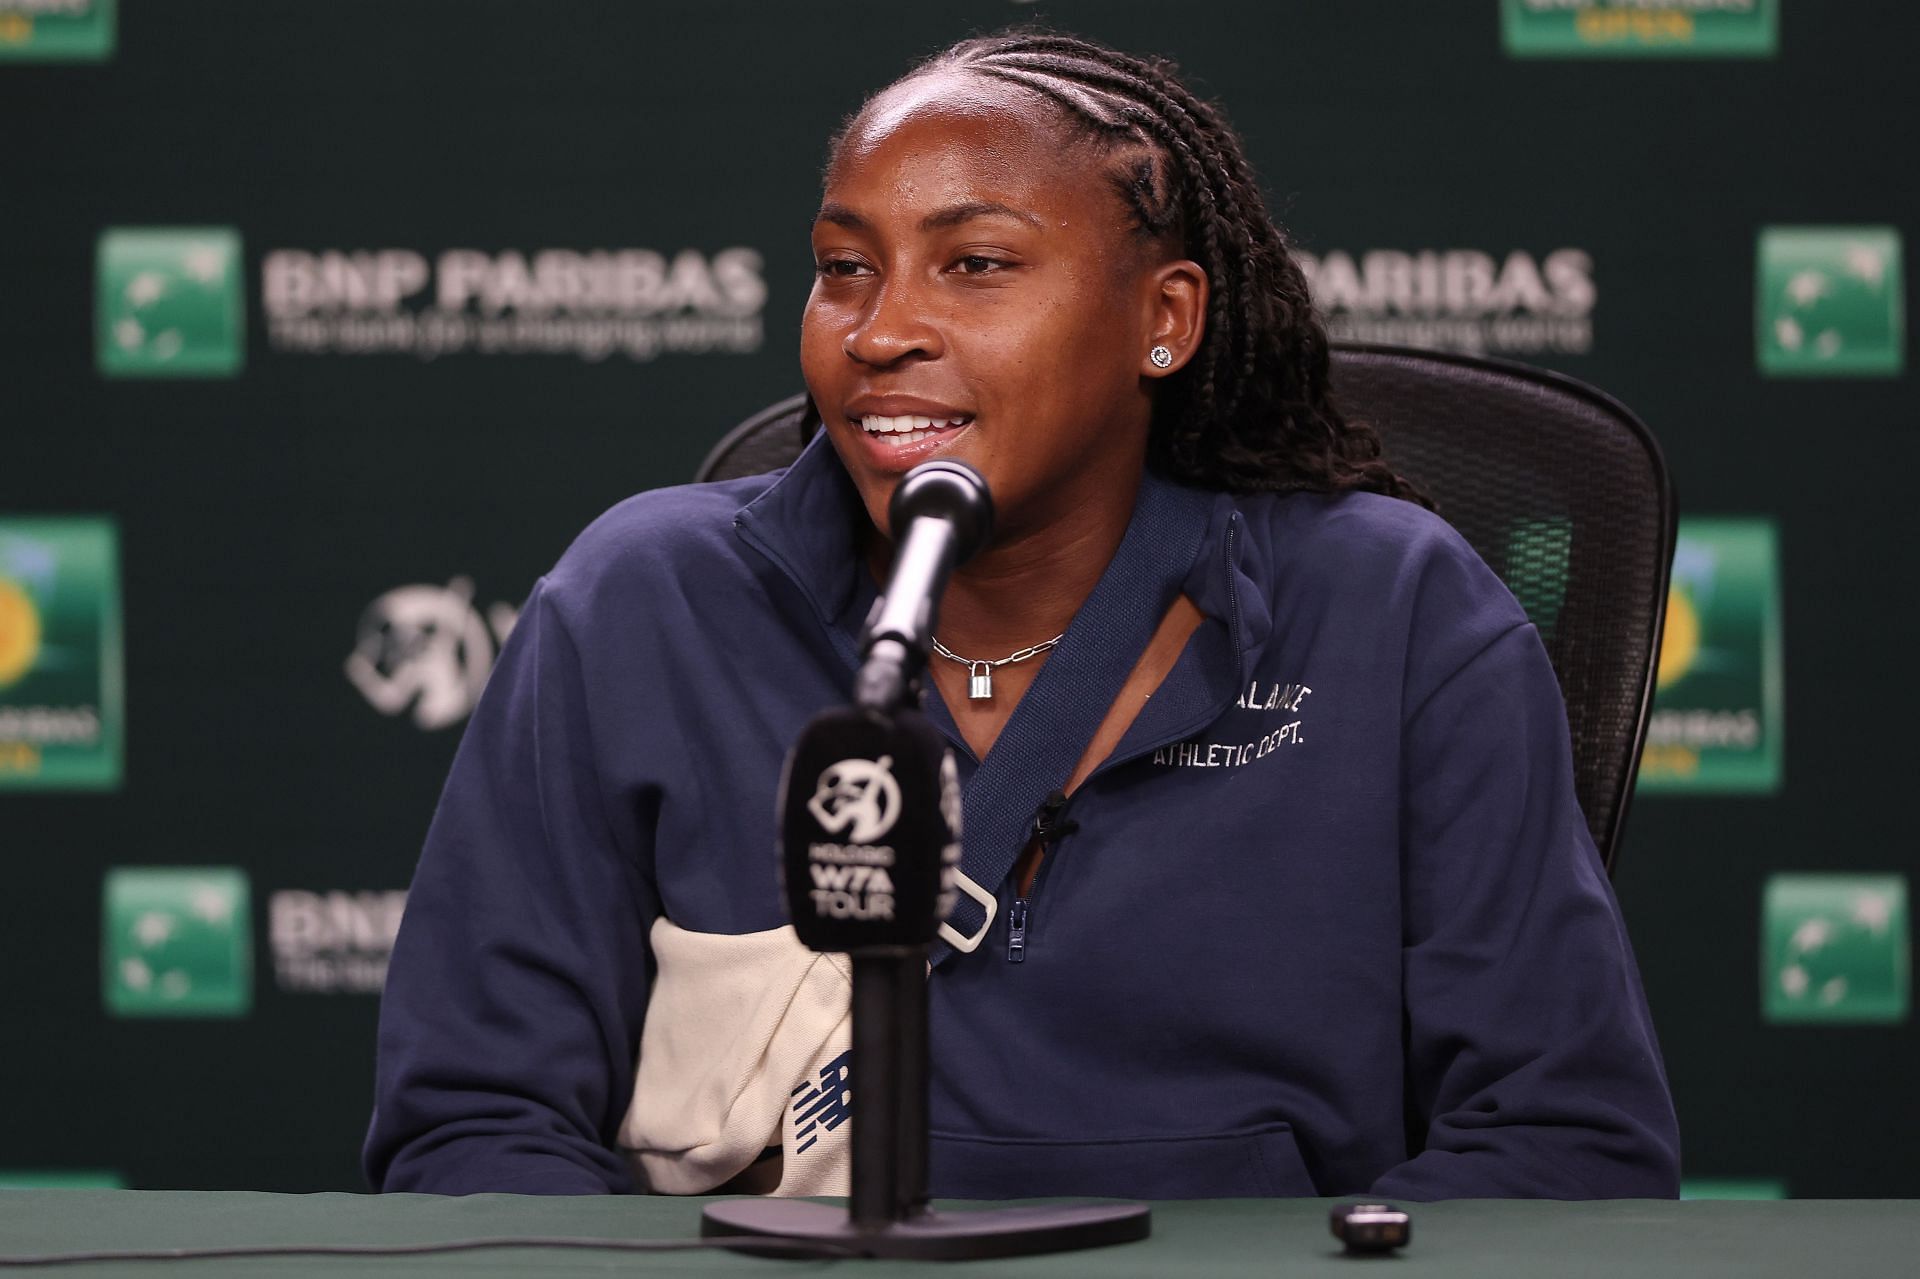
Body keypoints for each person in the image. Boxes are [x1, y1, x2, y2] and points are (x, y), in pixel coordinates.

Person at [364, 29, 1681, 1200]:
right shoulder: (643, 598)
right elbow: (476, 1123)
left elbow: (1564, 1140)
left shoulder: (1394, 607)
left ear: (1164, 320)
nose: (881, 331)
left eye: (976, 264)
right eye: (843, 269)